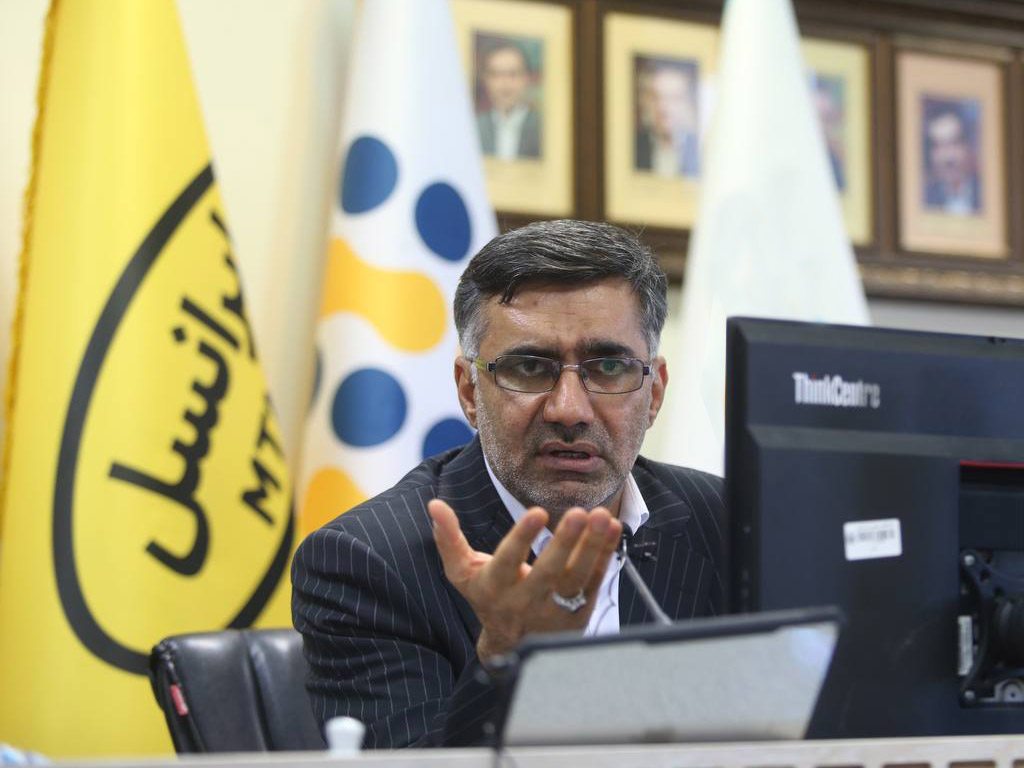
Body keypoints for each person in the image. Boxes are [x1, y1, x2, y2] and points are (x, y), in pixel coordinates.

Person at [292, 220, 726, 748]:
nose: (569, 409)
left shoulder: (726, 523)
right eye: (529, 367)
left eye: (609, 366)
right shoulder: (367, 562)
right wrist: (505, 655)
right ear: (469, 392)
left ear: (653, 394)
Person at [475, 41, 541, 160]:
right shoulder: (475, 127)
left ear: (527, 78)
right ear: (485, 79)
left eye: (513, 74)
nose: (505, 83)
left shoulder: (543, 128)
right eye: (496, 74)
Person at [634, 59, 700, 178]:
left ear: (688, 103)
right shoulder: (633, 146)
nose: (664, 108)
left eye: (674, 98)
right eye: (656, 97)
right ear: (644, 102)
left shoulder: (701, 149)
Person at [923, 106, 980, 215]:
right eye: (939, 146)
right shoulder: (925, 198)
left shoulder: (988, 192)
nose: (948, 158)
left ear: (968, 146)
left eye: (954, 143)